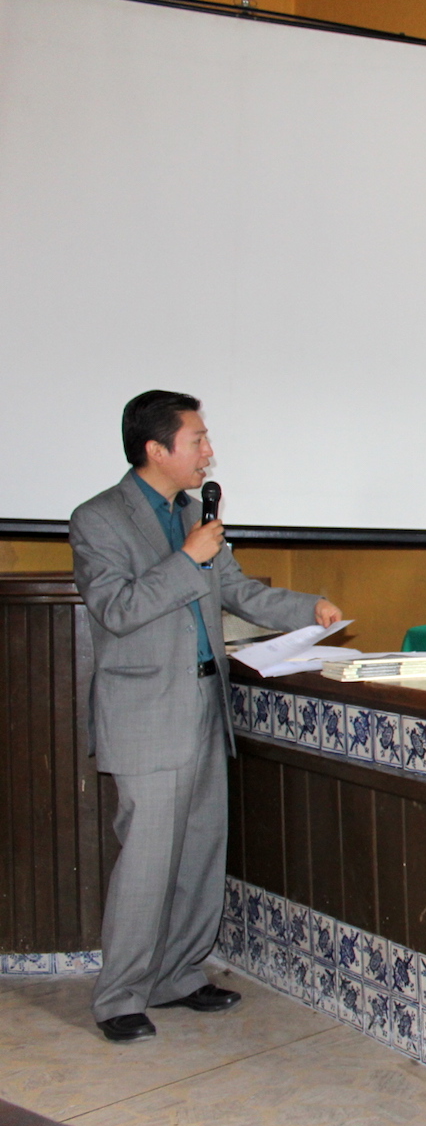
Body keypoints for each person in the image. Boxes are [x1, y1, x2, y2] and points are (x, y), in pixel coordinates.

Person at [70, 392, 344, 1043]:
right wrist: (186, 558)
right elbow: (117, 608)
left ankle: (178, 975)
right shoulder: (97, 519)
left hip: (203, 702)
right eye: (197, 440)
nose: (208, 452)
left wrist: (309, 607)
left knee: (199, 851)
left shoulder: (195, 514)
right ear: (156, 449)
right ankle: (119, 996)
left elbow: (238, 591)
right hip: (145, 711)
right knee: (147, 860)